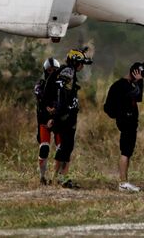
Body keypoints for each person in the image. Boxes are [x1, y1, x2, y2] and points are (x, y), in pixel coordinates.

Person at [104, 60, 144, 192]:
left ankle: (124, 180)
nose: (142, 78)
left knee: (128, 151)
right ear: (135, 72)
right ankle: (123, 182)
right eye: (141, 75)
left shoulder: (128, 85)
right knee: (125, 151)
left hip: (130, 122)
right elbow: (138, 96)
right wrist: (139, 82)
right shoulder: (122, 86)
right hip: (126, 122)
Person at [50, 48, 92, 188]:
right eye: (81, 63)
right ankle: (58, 177)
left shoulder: (69, 72)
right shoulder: (68, 72)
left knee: (68, 146)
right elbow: (61, 94)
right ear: (75, 62)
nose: (82, 66)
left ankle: (61, 177)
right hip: (65, 116)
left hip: (68, 115)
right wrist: (59, 115)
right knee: (65, 147)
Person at [32, 57, 62, 185]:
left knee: (61, 149)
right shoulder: (41, 84)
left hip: (59, 121)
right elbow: (38, 93)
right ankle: (42, 177)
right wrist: (48, 107)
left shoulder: (62, 86)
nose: (52, 73)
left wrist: (55, 110)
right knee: (44, 148)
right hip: (44, 120)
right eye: (49, 70)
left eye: (54, 70)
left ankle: (56, 177)